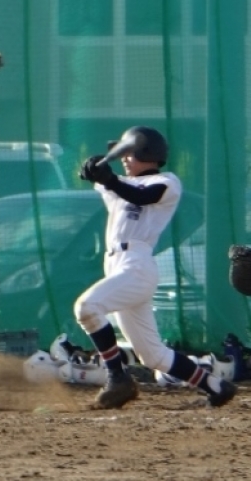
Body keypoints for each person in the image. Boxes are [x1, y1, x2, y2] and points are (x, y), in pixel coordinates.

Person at [74, 126, 237, 409]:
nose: (125, 159)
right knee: (153, 356)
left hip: (136, 266)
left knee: (87, 307)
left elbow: (142, 196)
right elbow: (101, 178)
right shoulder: (120, 184)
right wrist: (92, 166)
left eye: (130, 153)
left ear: (147, 153)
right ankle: (216, 386)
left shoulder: (167, 182)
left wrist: (110, 178)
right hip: (116, 265)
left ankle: (117, 377)